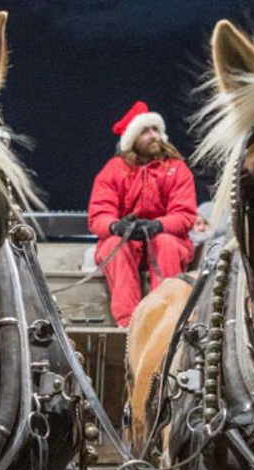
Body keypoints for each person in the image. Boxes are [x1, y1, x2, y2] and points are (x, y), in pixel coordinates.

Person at [88, 100, 197, 326]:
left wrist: (158, 226)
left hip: (167, 240)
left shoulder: (177, 169)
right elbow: (99, 215)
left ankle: (164, 319)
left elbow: (185, 214)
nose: (153, 135)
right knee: (115, 244)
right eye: (145, 131)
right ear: (132, 139)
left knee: (165, 243)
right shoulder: (114, 170)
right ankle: (128, 323)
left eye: (156, 129)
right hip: (128, 242)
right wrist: (116, 226)